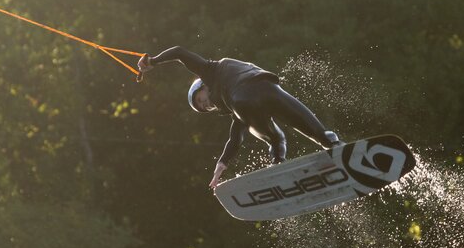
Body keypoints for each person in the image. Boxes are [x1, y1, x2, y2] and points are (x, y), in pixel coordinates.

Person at [137, 47, 341, 189]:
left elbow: (180, 52)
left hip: (254, 90)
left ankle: (283, 164)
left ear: (203, 86)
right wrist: (222, 164)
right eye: (203, 107)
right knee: (295, 134)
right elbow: (235, 139)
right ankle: (332, 148)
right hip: (259, 94)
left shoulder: (210, 71)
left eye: (201, 99)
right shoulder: (232, 108)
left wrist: (152, 61)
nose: (206, 105)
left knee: (283, 136)